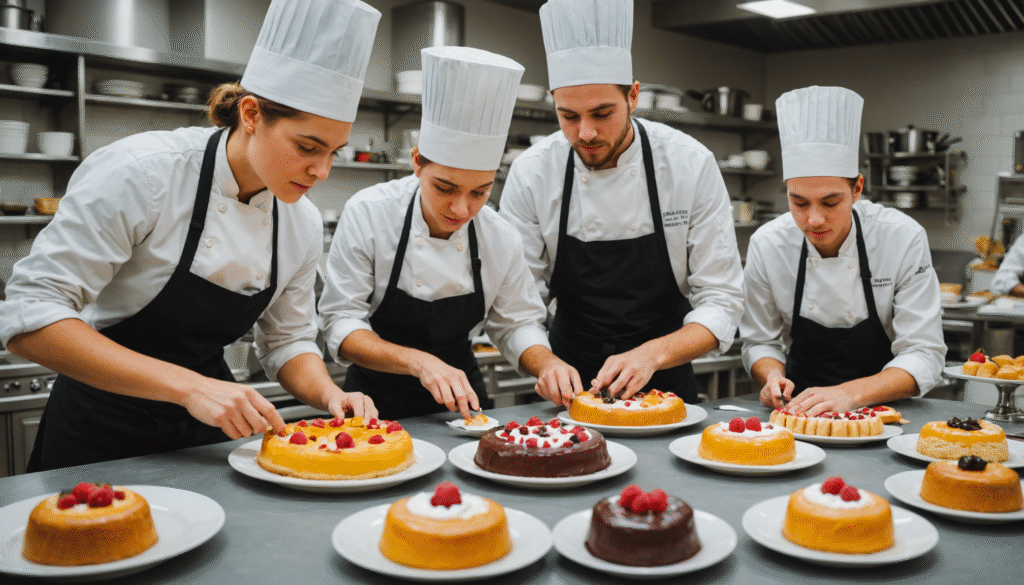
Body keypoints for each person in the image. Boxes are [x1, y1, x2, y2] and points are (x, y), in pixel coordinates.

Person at [0, 0, 382, 471]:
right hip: (98, 436)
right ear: (251, 114)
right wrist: (192, 387)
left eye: (335, 153)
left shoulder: (298, 220)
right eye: (307, 147)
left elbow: (286, 341)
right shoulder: (142, 173)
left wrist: (330, 394)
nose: (322, 171)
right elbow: (29, 318)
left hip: (207, 440)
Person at [499, 0, 745, 405]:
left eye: (602, 113)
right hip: (570, 388)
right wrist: (544, 363)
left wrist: (652, 354)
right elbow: (515, 307)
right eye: (568, 116)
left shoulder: (688, 163)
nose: (586, 132)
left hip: (665, 380)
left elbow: (722, 299)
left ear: (633, 96)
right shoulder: (532, 174)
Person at [319, 46, 579, 421]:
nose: (461, 209)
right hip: (372, 406)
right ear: (417, 163)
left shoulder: (498, 235)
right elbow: (342, 322)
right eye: (444, 187)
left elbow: (516, 323)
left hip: (463, 405)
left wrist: (548, 363)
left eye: (480, 192)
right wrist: (418, 362)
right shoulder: (370, 213)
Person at [741, 85, 946, 417]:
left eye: (831, 202)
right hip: (798, 413)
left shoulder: (901, 238)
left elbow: (924, 354)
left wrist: (849, 395)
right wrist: (772, 376)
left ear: (857, 189)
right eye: (799, 202)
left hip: (884, 413)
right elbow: (760, 341)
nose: (814, 219)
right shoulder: (768, 245)